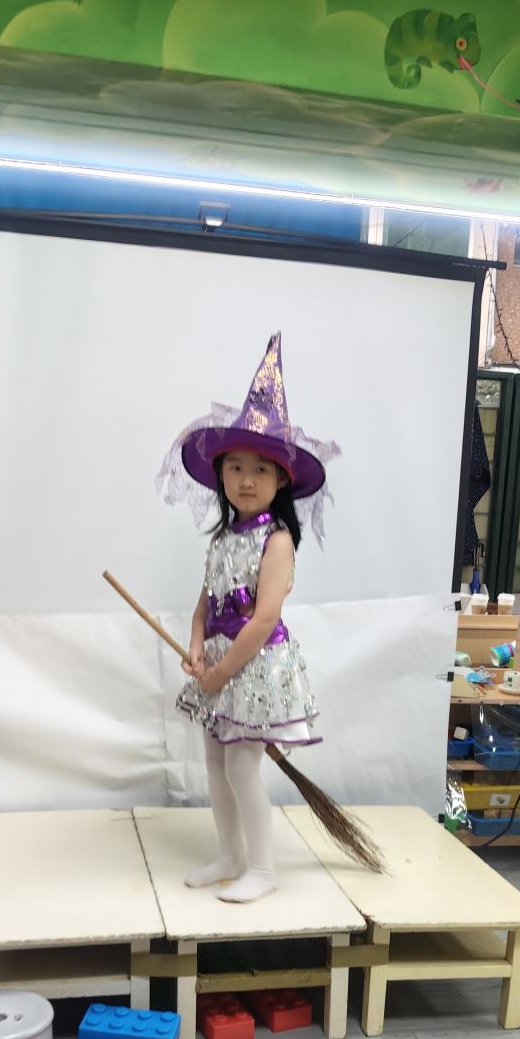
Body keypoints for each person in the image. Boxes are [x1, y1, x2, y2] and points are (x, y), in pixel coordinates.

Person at [156, 333, 337, 904]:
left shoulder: (277, 540)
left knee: (241, 769)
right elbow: (205, 603)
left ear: (281, 479)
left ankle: (263, 867)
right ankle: (231, 856)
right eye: (235, 467)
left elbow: (261, 621)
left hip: (254, 669)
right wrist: (195, 647)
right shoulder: (222, 538)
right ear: (220, 475)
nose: (247, 479)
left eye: (260, 469)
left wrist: (219, 671)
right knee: (215, 765)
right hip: (219, 665)